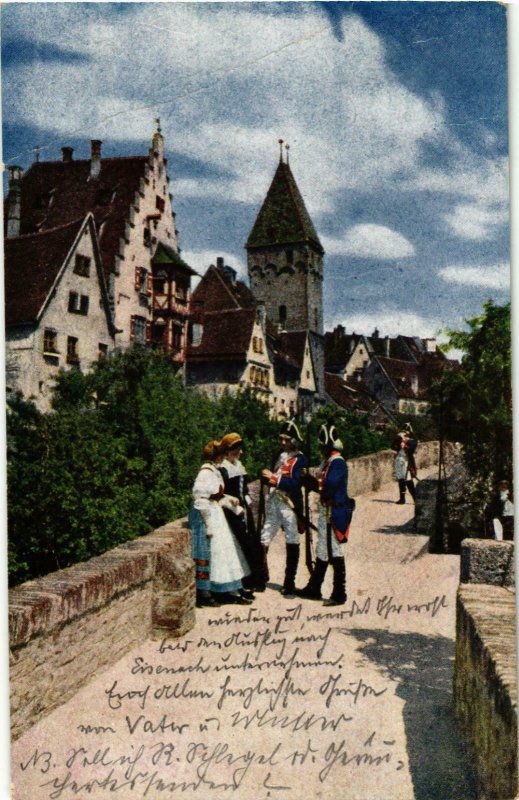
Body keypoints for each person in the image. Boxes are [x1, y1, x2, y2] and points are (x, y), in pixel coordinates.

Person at [189, 439, 252, 607]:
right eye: (222, 454)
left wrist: (230, 500)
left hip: (215, 511)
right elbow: (200, 498)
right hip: (205, 515)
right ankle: (204, 592)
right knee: (207, 553)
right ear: (216, 456)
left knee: (224, 551)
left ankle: (227, 590)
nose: (223, 457)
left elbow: (216, 495)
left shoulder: (214, 471)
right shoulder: (205, 472)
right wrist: (208, 523)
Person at [297, 424, 353, 606]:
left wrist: (311, 482)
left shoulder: (337, 463)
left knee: (334, 550)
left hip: (333, 512)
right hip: (325, 511)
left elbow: (328, 485)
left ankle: (339, 593)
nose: (320, 449)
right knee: (322, 548)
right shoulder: (328, 463)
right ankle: (314, 587)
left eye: (322, 446)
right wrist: (308, 479)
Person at [260, 420, 308, 597]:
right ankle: (261, 576)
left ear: (294, 440)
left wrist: (273, 478)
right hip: (273, 501)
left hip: (289, 503)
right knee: (264, 536)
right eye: (281, 439)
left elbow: (295, 484)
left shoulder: (300, 459)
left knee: (292, 539)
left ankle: (289, 582)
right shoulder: (279, 456)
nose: (282, 443)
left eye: (286, 440)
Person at [219, 432, 267, 591]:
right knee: (242, 543)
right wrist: (235, 507)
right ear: (229, 451)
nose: (241, 452)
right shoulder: (223, 469)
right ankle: (247, 580)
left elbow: (245, 489)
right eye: (237, 449)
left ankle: (256, 578)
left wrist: (247, 500)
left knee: (252, 541)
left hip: (244, 510)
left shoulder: (238, 466)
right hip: (231, 511)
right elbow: (220, 493)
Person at [392, 425, 417, 504]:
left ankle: (416, 499)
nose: (404, 434)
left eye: (406, 432)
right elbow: (392, 446)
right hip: (399, 461)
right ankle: (402, 499)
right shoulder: (400, 440)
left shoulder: (413, 441)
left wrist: (404, 442)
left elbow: (410, 449)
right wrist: (399, 439)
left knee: (408, 481)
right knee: (401, 480)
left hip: (407, 462)